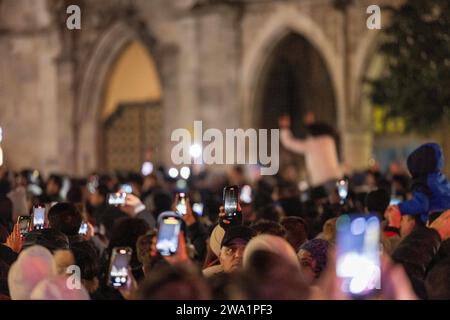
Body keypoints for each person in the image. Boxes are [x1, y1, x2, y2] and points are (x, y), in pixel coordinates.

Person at [387, 143, 450, 224]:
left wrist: (399, 208)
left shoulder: (423, 182)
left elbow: (421, 205)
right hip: (445, 220)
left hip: (434, 224)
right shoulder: (440, 178)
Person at [279, 114, 342, 194]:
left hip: (321, 182)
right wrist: (311, 124)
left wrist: (284, 128)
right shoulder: (329, 141)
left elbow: (289, 143)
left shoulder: (312, 144)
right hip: (335, 177)